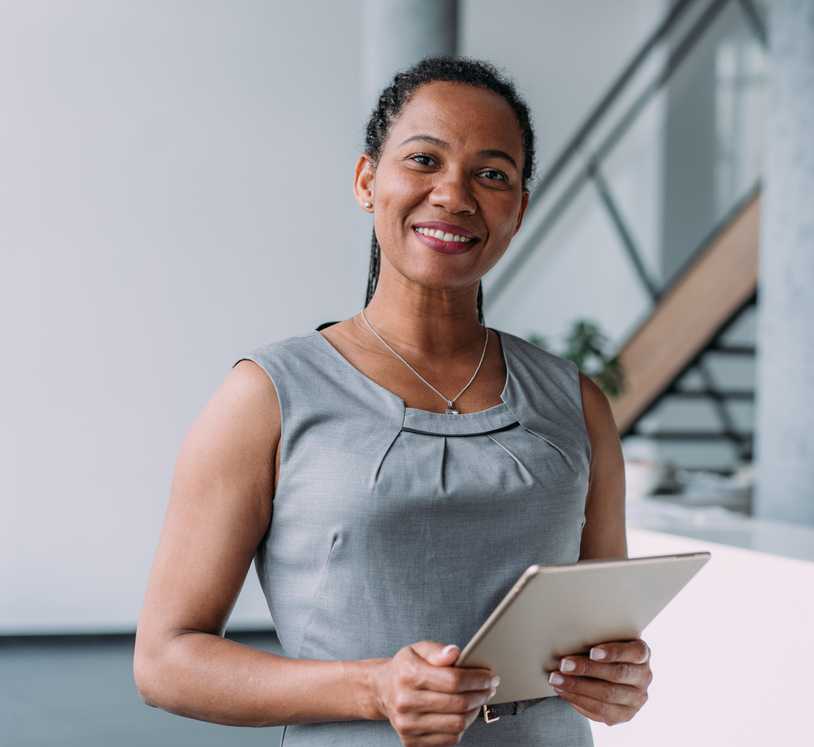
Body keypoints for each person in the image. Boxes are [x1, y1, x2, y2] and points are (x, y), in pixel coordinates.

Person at [133, 56, 653, 746]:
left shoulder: (577, 403)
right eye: (424, 160)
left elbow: (604, 641)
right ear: (367, 180)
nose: (454, 195)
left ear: (519, 209)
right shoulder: (266, 395)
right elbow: (165, 660)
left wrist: (619, 682)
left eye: (492, 174)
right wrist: (371, 685)